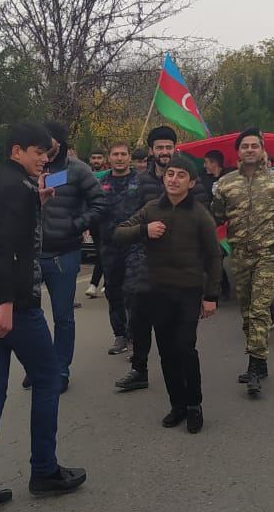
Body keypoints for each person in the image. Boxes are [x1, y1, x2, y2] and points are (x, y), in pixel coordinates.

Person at [0, 122, 87, 512]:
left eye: (49, 153)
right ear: (17, 150)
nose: (46, 159)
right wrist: (6, 303)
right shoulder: (16, 190)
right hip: (12, 304)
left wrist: (39, 201)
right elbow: (5, 250)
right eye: (39, 152)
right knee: (49, 378)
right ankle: (45, 471)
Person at [114, 155, 222, 433]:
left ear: (192, 182)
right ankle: (177, 405)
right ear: (164, 178)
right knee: (166, 353)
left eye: (181, 175)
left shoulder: (200, 215)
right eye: (170, 174)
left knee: (185, 348)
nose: (173, 179)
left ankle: (194, 405)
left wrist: (211, 296)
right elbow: (118, 233)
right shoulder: (151, 209)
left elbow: (213, 257)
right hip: (156, 292)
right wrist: (144, 230)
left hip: (188, 292)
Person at [211, 127, 274, 396]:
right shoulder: (226, 184)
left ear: (263, 150)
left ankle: (254, 365)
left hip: (268, 253)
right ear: (238, 152)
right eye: (245, 146)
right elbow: (215, 217)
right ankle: (261, 360)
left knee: (260, 309)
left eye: (255, 145)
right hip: (239, 253)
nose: (250, 149)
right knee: (246, 311)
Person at [114, 126, 206, 391]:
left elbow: (204, 219)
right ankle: (139, 368)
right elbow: (129, 216)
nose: (164, 152)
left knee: (177, 321)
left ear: (174, 149)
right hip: (144, 257)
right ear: (152, 151)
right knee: (138, 312)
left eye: (168, 147)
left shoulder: (192, 181)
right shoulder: (140, 181)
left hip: (179, 261)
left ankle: (180, 368)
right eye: (159, 147)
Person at [25, 121, 106, 393]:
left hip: (64, 254)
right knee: (30, 316)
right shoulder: (31, 168)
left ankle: (60, 370)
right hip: (31, 254)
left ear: (59, 141)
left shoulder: (78, 170)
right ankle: (38, 366)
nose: (44, 148)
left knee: (62, 317)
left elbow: (99, 203)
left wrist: (77, 224)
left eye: (48, 141)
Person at [94, 142, 141, 356]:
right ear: (109, 158)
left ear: (129, 157)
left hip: (134, 242)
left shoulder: (140, 181)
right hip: (109, 243)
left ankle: (134, 334)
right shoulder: (100, 182)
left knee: (132, 290)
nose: (120, 158)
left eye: (123, 154)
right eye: (115, 154)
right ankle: (120, 334)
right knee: (113, 290)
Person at [84, 148, 109, 298]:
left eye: (99, 157)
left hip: (107, 219)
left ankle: (95, 284)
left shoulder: (109, 175)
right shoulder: (85, 176)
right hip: (93, 220)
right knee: (101, 251)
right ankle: (103, 283)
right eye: (94, 157)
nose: (96, 161)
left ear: (105, 159)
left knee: (103, 251)